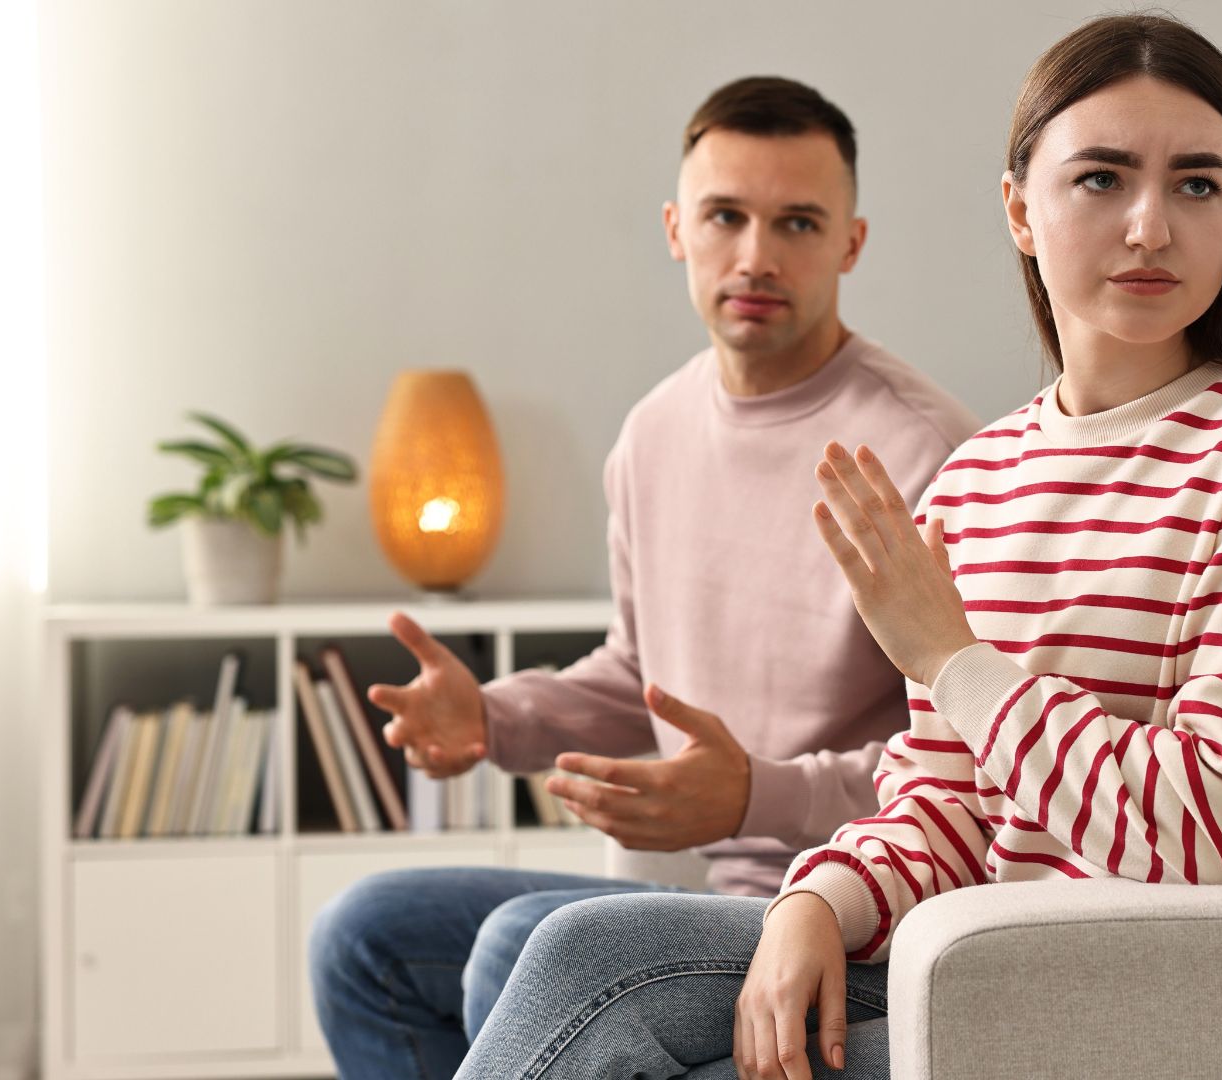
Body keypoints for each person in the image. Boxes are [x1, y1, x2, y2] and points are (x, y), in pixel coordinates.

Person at [456, 13, 1222, 1080]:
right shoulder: (981, 479)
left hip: (1183, 1000)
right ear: (1020, 210)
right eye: (1103, 178)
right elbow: (951, 807)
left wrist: (954, 659)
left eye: (1199, 184)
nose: (1151, 226)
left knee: (632, 1005)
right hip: (994, 963)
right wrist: (819, 900)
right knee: (574, 952)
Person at [306, 75, 980, 1080]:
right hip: (706, 896)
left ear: (851, 243)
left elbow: (973, 762)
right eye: (725, 217)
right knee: (363, 935)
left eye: (797, 223)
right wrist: (492, 718)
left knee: (518, 943)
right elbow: (640, 673)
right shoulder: (653, 432)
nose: (756, 256)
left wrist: (756, 796)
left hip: (850, 907)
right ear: (677, 229)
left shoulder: (928, 455)